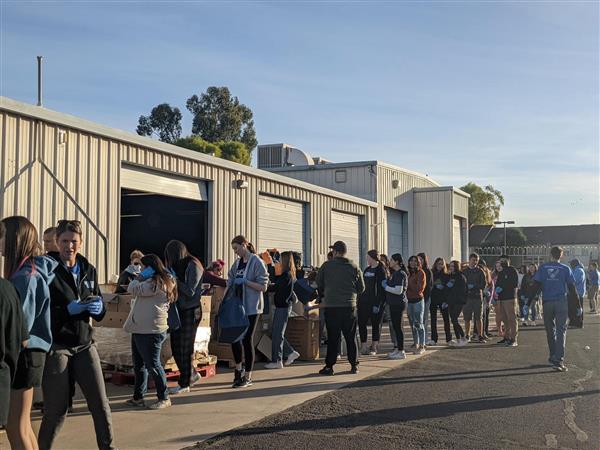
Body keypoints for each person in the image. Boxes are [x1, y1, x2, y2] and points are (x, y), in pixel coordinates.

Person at [38, 220, 115, 450]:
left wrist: (99, 308)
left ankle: (108, 447)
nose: (69, 246)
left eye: (73, 241)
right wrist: (66, 311)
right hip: (58, 346)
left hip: (84, 344)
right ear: (56, 242)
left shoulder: (88, 269)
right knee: (56, 410)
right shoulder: (48, 268)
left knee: (101, 405)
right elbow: (40, 310)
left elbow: (100, 309)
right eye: (64, 241)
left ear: (80, 242)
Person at [1, 217, 57, 450]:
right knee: (23, 425)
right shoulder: (29, 272)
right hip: (32, 353)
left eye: (2, 235)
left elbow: (20, 324)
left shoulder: (25, 277)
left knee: (16, 426)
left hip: (24, 354)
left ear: (15, 239)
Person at [124, 254, 178, 410]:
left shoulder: (156, 283)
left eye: (143, 266)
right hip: (141, 328)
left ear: (151, 268)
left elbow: (132, 288)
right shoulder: (158, 281)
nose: (140, 269)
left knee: (153, 365)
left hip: (150, 330)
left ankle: (164, 397)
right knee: (139, 365)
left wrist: (139, 277)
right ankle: (138, 397)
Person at [316, 241, 365, 376]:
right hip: (350, 307)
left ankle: (329, 367)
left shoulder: (326, 266)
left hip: (332, 307)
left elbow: (319, 284)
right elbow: (361, 288)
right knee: (350, 337)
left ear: (336, 252)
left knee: (333, 337)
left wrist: (326, 293)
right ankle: (354, 365)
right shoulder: (354, 266)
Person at [226, 235, 269, 387]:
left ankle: (248, 376)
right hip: (237, 307)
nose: (235, 252)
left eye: (237, 248)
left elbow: (263, 286)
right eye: (233, 249)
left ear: (244, 245)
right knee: (235, 338)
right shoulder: (236, 263)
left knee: (246, 338)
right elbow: (230, 278)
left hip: (251, 307)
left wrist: (246, 282)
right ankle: (238, 370)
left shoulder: (257, 261)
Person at [164, 240, 205, 395]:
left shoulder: (193, 265)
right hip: (178, 310)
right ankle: (192, 374)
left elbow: (190, 291)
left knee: (185, 347)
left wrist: (174, 280)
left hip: (191, 310)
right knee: (176, 346)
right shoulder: (176, 266)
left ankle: (184, 383)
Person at [534, 246, 580, 372]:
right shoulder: (566, 268)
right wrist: (578, 305)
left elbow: (536, 285)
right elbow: (572, 288)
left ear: (550, 254)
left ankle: (553, 355)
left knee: (550, 330)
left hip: (547, 302)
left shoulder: (543, 268)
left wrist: (529, 301)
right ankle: (559, 360)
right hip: (561, 302)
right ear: (561, 255)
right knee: (561, 331)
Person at [0, 221, 27, 432]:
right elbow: (21, 336)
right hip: (5, 377)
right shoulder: (9, 288)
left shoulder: (22, 279)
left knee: (20, 429)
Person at [264, 251, 300, 369]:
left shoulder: (287, 275)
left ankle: (277, 360)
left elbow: (275, 286)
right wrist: (270, 265)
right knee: (277, 333)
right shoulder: (286, 274)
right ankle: (290, 353)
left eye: (280, 259)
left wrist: (265, 286)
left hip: (283, 307)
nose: (278, 262)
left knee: (277, 334)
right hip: (282, 307)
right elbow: (275, 279)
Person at [357, 250, 387, 355]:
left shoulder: (381, 270)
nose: (366, 259)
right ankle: (364, 346)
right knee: (362, 323)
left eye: (367, 257)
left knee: (375, 324)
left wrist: (378, 303)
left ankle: (374, 347)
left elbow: (381, 289)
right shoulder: (367, 270)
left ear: (373, 258)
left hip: (375, 302)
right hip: (364, 302)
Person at [382, 254, 407, 359]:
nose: (390, 261)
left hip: (397, 304)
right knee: (396, 328)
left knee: (398, 328)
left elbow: (398, 290)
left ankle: (401, 351)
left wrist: (386, 287)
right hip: (393, 304)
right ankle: (398, 349)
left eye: (392, 260)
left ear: (397, 262)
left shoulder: (400, 274)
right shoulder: (395, 273)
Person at [494, 255, 520, 347]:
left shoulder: (512, 270)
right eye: (501, 261)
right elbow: (498, 283)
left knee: (511, 319)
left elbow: (514, 283)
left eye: (504, 260)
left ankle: (513, 339)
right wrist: (497, 289)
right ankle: (507, 337)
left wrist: (503, 287)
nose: (503, 262)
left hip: (509, 298)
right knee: (504, 319)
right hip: (501, 298)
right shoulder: (501, 272)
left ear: (509, 261)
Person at [462, 253, 487, 343]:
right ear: (469, 260)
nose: (475, 262)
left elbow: (483, 284)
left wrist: (474, 286)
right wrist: (466, 287)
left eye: (476, 260)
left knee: (478, 317)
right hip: (467, 297)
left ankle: (480, 335)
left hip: (477, 297)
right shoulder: (464, 271)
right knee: (467, 318)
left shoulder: (480, 271)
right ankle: (467, 335)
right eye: (473, 260)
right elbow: (461, 284)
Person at [405, 255, 426, 354]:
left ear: (418, 263)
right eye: (411, 261)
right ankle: (415, 343)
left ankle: (422, 345)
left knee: (418, 323)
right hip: (409, 301)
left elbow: (419, 289)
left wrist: (409, 284)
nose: (412, 263)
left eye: (415, 261)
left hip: (418, 301)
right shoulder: (408, 273)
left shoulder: (421, 273)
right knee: (412, 323)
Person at [430, 257, 452, 345]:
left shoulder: (446, 275)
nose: (440, 265)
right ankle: (434, 339)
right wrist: (435, 285)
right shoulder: (432, 273)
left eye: (442, 264)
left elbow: (448, 288)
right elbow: (430, 285)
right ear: (435, 264)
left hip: (443, 299)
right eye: (438, 263)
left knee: (446, 319)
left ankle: (449, 338)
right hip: (434, 298)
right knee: (433, 319)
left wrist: (446, 300)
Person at [446, 260, 468, 346]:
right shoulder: (450, 276)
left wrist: (452, 287)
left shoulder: (461, 276)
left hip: (459, 301)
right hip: (451, 301)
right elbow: (448, 289)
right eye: (450, 266)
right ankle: (458, 339)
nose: (450, 268)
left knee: (454, 319)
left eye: (452, 266)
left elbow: (462, 290)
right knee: (453, 320)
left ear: (456, 267)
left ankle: (463, 337)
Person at [417, 253, 433, 347]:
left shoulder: (427, 271)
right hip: (416, 299)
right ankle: (418, 340)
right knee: (418, 321)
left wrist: (424, 298)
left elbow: (429, 287)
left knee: (424, 320)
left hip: (425, 298)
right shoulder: (416, 271)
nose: (419, 261)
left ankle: (425, 340)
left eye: (420, 259)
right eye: (417, 259)